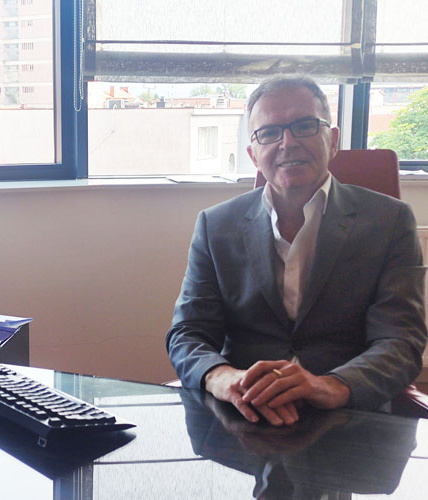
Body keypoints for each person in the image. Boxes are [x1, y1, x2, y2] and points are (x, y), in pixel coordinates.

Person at [166, 75, 427, 426]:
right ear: (253, 154)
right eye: (269, 133)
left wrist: (332, 385)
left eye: (305, 126)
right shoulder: (216, 225)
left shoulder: (390, 220)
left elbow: (400, 339)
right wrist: (221, 377)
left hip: (349, 414)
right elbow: (188, 333)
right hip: (243, 413)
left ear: (333, 140)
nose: (287, 143)